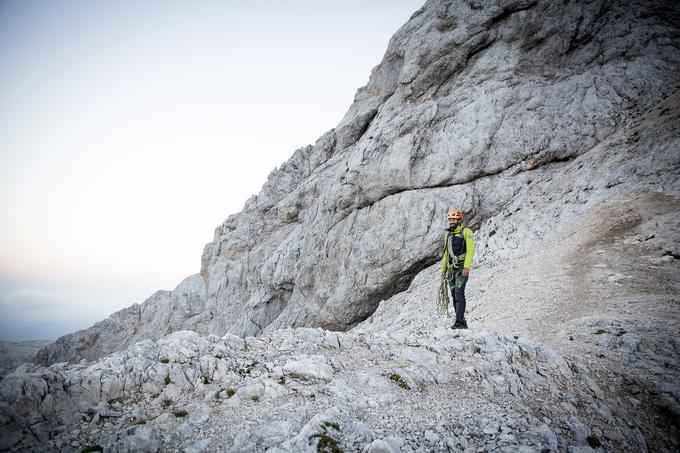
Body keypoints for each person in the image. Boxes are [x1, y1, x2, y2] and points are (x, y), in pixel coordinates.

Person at [440, 208, 475, 329]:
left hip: (461, 268)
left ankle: (459, 322)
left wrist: (466, 267)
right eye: (450, 219)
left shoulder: (466, 232)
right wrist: (443, 270)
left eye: (454, 219)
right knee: (454, 295)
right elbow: (445, 254)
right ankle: (461, 321)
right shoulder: (447, 235)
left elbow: (470, 251)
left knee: (459, 293)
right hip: (450, 270)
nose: (452, 221)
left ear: (459, 219)